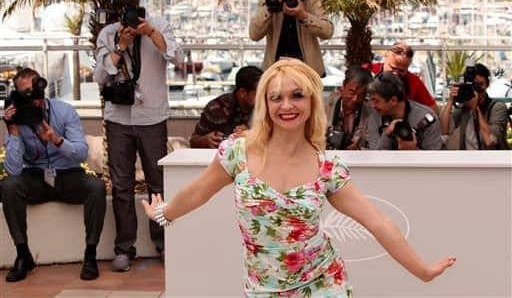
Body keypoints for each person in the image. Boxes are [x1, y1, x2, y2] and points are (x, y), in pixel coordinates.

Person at [141, 59, 455, 296]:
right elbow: (197, 193)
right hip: (264, 288)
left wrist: (423, 271)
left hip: (323, 284)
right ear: (265, 103)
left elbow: (378, 223)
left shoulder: (326, 169)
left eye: (297, 95)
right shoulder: (237, 153)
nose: (287, 105)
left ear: (311, 103)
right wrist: (163, 213)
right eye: (276, 97)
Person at [94, 0, 184, 271]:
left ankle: (165, 244)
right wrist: (120, 46)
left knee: (158, 184)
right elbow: (99, 76)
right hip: (119, 118)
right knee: (122, 186)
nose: (129, 15)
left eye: (133, 8)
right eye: (124, 11)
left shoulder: (158, 27)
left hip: (152, 116)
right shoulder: (108, 34)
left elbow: (177, 57)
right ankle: (124, 248)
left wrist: (150, 34)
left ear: (140, 7)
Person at [0, 68, 106, 282]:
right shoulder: (18, 119)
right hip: (35, 176)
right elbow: (13, 169)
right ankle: (23, 254)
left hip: (68, 174)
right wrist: (13, 131)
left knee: (96, 187)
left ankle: (90, 254)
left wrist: (57, 140)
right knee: (9, 185)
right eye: (26, 93)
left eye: (35, 90)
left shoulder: (65, 112)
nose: (33, 98)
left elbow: (81, 153)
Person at [249, 0, 333, 77]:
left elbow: (328, 31)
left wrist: (303, 15)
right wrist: (270, 8)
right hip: (275, 71)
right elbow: (254, 34)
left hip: (307, 71)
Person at [190, 66, 263, 148]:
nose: (262, 97)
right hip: (217, 158)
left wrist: (251, 135)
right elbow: (193, 141)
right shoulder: (216, 108)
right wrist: (206, 140)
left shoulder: (264, 108)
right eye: (258, 93)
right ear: (242, 92)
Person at [440, 63, 509, 150]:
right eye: (473, 86)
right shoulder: (465, 107)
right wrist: (450, 100)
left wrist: (475, 108)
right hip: (468, 159)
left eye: (480, 84)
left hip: (493, 160)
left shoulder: (497, 107)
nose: (477, 90)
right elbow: (444, 131)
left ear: (487, 84)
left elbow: (490, 140)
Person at [367, 72, 442, 150]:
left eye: (376, 101)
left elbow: (434, 157)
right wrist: (386, 134)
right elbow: (374, 155)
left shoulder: (427, 118)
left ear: (393, 100)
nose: (372, 105)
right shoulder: (376, 115)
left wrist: (413, 150)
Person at [372, 42, 439, 114]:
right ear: (385, 58)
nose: (396, 73)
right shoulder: (369, 71)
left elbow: (433, 109)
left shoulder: (414, 81)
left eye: (401, 71)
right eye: (393, 68)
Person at [326, 66, 373, 150]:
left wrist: (360, 150)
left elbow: (375, 146)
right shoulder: (325, 107)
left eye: (361, 95)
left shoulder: (371, 113)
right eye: (352, 92)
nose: (355, 99)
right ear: (343, 85)